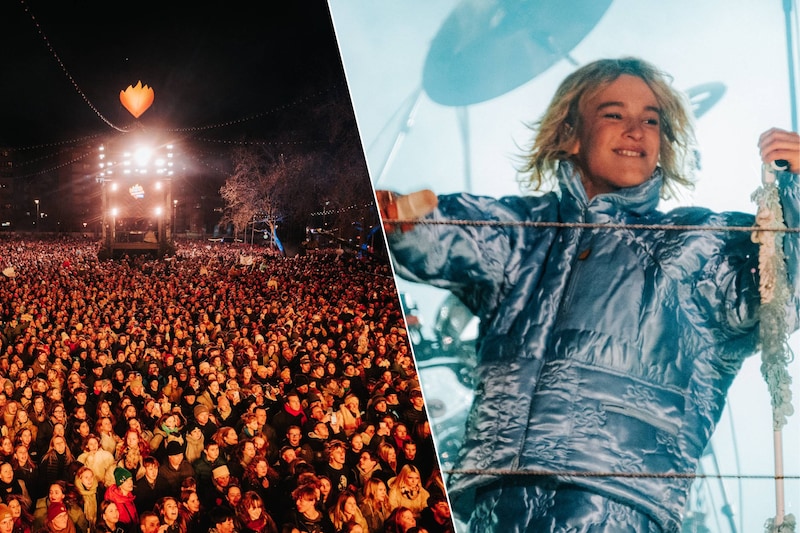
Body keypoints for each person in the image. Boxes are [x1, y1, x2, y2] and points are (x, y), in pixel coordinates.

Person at [377, 56, 800, 531]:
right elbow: (443, 237)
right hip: (500, 499)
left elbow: (784, 280)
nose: (636, 130)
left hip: (619, 500)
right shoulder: (525, 233)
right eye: (614, 114)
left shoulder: (698, 243)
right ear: (570, 133)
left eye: (651, 120)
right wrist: (400, 220)